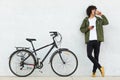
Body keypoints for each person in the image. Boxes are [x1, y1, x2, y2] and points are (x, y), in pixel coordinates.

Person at [80, 5, 109, 77]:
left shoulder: (98, 19)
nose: (95, 11)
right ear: (90, 11)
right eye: (94, 9)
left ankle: (93, 72)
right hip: (89, 40)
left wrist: (101, 15)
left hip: (97, 40)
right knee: (89, 55)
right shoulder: (86, 20)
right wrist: (88, 28)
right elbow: (81, 29)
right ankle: (100, 67)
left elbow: (106, 22)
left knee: (96, 57)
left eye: (96, 9)